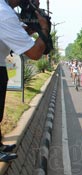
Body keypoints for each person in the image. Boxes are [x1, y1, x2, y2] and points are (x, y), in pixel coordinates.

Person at [0, 0, 50, 162]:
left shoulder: (5, 10)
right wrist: (43, 29)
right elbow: (35, 53)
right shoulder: (4, 13)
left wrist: (30, 29)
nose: (35, 2)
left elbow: (12, 36)